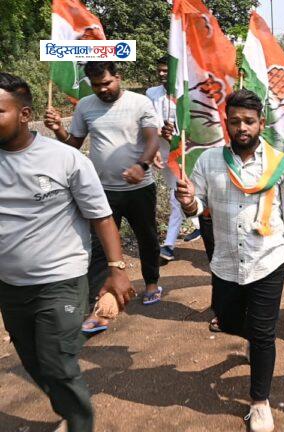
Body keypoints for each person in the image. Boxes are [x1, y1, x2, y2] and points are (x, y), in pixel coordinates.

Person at [0, 72, 134, 432]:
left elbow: (101, 216)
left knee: (57, 362)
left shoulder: (65, 159)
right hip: (10, 285)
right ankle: (67, 404)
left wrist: (117, 269)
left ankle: (78, 421)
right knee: (33, 363)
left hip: (60, 279)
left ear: (25, 115)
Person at [175, 89, 284, 432]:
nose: (242, 127)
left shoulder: (280, 163)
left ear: (260, 123)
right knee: (229, 319)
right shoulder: (208, 161)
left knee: (264, 334)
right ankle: (252, 337)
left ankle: (260, 401)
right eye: (234, 121)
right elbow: (195, 208)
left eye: (249, 121)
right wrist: (189, 201)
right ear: (226, 123)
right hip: (225, 260)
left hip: (268, 259)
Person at [43, 61, 163, 331]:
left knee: (147, 236)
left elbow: (152, 139)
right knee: (98, 247)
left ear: (118, 77)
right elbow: (73, 144)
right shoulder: (86, 106)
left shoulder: (140, 103)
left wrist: (140, 166)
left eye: (107, 83)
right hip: (101, 190)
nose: (102, 89)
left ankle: (152, 283)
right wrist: (57, 129)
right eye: (96, 85)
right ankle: (100, 305)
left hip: (139, 188)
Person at [146, 55, 201, 262]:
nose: (161, 74)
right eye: (159, 70)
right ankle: (198, 223)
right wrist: (156, 147)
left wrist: (178, 135)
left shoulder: (189, 95)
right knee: (178, 193)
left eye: (166, 71)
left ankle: (168, 245)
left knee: (177, 195)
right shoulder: (152, 94)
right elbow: (151, 123)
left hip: (189, 153)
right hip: (166, 154)